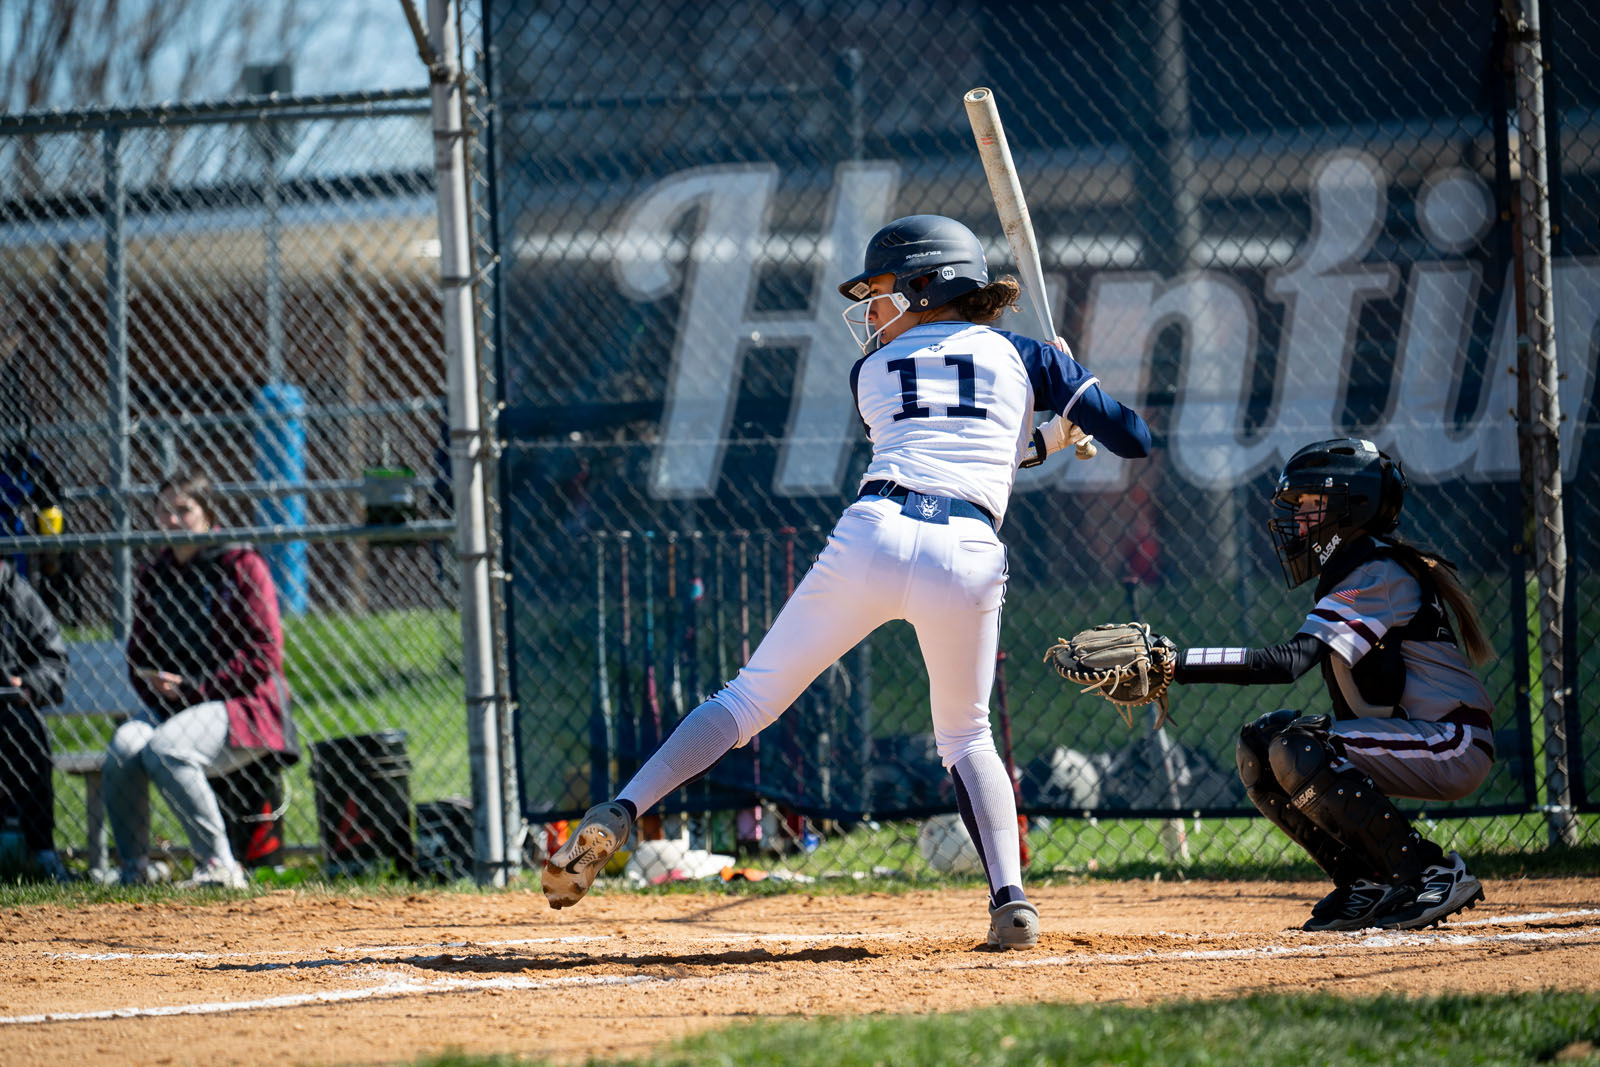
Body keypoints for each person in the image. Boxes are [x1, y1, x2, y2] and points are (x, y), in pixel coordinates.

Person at [543, 214, 1152, 948]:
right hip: (967, 548)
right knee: (966, 734)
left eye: (885, 291)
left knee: (746, 699)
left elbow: (943, 439)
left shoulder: (872, 372)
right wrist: (1072, 390)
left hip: (875, 533)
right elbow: (1124, 439)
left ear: (928, 286)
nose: (873, 311)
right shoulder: (1027, 357)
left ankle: (621, 809)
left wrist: (1047, 423)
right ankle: (1011, 901)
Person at [1169, 438, 1494, 931]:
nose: (1297, 519)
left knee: (1298, 750)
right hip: (1420, 737)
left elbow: (1287, 662)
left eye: (1308, 504)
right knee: (1260, 747)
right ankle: (1369, 880)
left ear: (1351, 505)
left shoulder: (1377, 572)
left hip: (1451, 742)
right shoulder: (1357, 570)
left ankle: (1429, 871)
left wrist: (1177, 663)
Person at [103, 471, 299, 887]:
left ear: (208, 514)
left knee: (167, 749)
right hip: (174, 706)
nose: (171, 520)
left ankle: (219, 865)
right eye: (163, 510)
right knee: (124, 748)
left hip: (241, 704)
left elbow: (263, 653)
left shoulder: (241, 564)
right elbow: (138, 653)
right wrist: (156, 683)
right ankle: (135, 869)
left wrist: (197, 689)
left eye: (183, 509)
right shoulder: (156, 574)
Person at [0, 559, 70, 880]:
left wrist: (29, 686)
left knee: (26, 728)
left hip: (8, 711)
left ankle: (41, 854)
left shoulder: (16, 592)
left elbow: (53, 660)